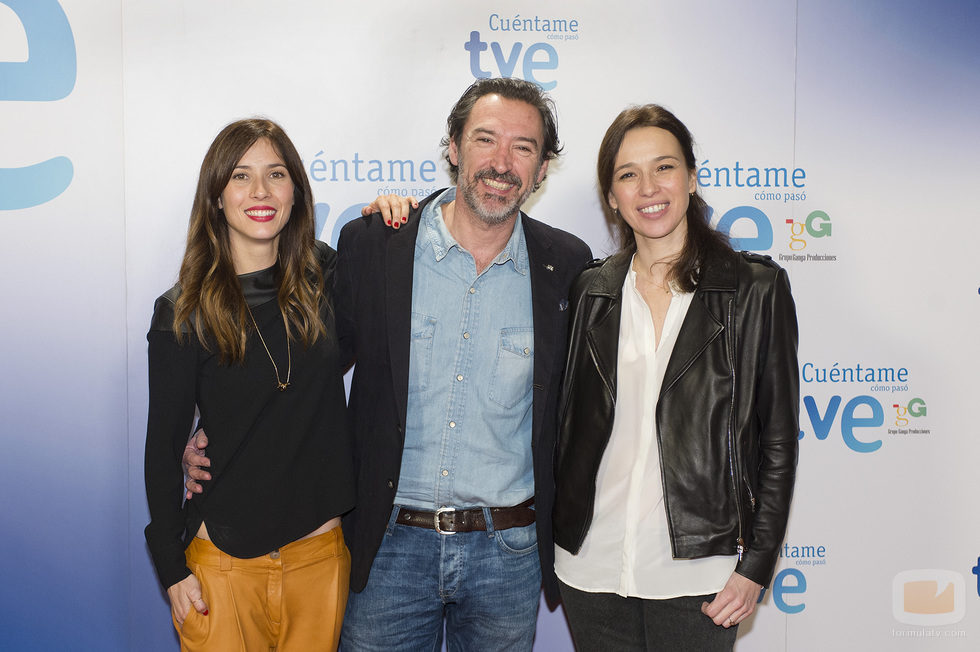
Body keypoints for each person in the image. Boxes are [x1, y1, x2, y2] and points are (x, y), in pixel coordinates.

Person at [551, 105, 799, 651]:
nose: (648, 188)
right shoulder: (591, 290)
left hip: (702, 575)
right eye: (627, 175)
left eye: (664, 167)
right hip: (591, 568)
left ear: (690, 177)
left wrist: (756, 563)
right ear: (611, 197)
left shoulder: (755, 289)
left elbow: (777, 441)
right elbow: (568, 427)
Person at [145, 118, 354, 651]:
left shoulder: (330, 276)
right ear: (217, 195)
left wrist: (391, 211)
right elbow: (163, 448)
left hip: (319, 558)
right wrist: (171, 569)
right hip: (222, 568)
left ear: (296, 192)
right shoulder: (182, 313)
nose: (260, 192)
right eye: (241, 176)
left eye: (276, 174)